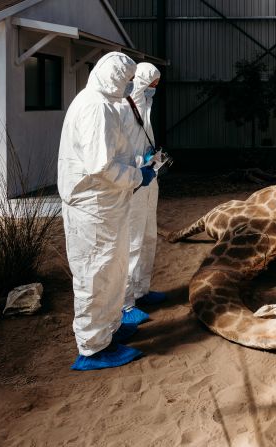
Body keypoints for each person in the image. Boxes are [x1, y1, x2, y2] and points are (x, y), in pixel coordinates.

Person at [58, 52, 156, 371]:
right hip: (93, 207)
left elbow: (111, 154)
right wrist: (137, 176)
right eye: (128, 80)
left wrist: (137, 165)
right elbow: (100, 167)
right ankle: (92, 347)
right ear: (115, 78)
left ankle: (109, 330)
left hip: (105, 205)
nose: (131, 87)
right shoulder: (96, 107)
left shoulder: (103, 102)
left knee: (112, 269)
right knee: (96, 274)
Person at [120, 62, 165, 326]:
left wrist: (153, 158)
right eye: (150, 86)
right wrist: (139, 164)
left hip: (149, 178)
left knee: (148, 236)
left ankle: (141, 290)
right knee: (132, 240)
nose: (153, 91)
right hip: (134, 182)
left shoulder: (145, 109)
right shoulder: (125, 109)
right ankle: (126, 304)